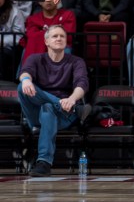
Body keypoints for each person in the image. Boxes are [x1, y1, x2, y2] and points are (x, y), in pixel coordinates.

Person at [17, 25, 91, 177]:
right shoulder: (35, 59)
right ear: (46, 42)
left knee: (48, 108)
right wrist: (26, 81)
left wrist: (71, 99)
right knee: (21, 87)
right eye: (54, 36)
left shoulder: (76, 62)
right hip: (39, 113)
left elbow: (81, 84)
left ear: (66, 41)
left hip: (64, 114)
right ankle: (68, 106)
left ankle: (44, 163)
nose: (59, 38)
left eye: (62, 36)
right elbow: (25, 73)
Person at [20, 0, 77, 65]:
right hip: (37, 50)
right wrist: (54, 33)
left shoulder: (68, 15)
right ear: (39, 1)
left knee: (65, 50)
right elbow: (31, 36)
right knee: (26, 49)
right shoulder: (32, 19)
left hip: (60, 48)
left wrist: (42, 33)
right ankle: (25, 75)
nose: (48, 0)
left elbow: (67, 37)